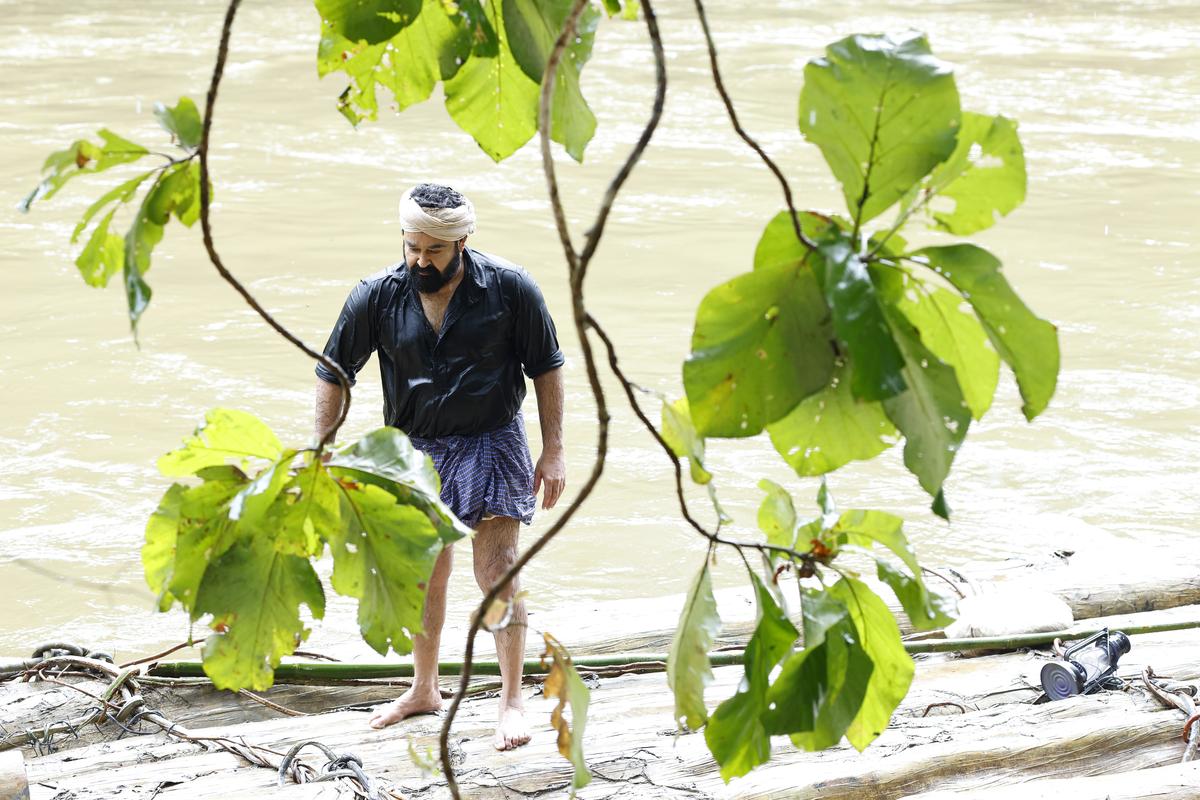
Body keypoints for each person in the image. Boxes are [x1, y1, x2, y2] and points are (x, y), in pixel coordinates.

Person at [313, 182, 567, 751]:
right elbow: (334, 372)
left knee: (497, 568)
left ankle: (511, 702)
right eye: (412, 247)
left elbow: (547, 368)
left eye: (433, 250)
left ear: (462, 241)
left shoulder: (510, 288)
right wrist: (320, 448)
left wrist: (553, 450)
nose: (420, 260)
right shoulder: (376, 296)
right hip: (414, 449)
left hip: (492, 438)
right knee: (425, 572)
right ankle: (424, 688)